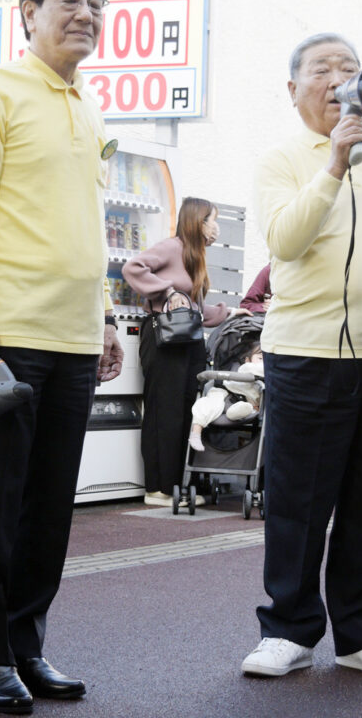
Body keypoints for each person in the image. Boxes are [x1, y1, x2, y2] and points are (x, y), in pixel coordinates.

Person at [0, 0, 124, 716]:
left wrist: (107, 314)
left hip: (76, 339)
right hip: (10, 335)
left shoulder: (88, 105)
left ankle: (27, 647)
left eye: (94, 3)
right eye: (67, 0)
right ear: (28, 13)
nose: (84, 13)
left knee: (50, 507)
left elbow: (86, 227)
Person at [241, 33, 362, 680]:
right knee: (298, 498)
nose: (340, 78)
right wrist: (332, 167)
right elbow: (286, 242)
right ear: (293, 89)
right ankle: (288, 631)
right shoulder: (282, 161)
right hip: (304, 351)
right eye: (322, 69)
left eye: (350, 68)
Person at [123, 198, 248, 507]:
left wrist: (230, 312)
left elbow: (193, 308)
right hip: (164, 339)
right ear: (196, 221)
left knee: (184, 413)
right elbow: (132, 267)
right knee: (163, 411)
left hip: (188, 341)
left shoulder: (195, 256)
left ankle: (176, 486)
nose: (216, 227)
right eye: (211, 220)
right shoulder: (171, 247)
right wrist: (167, 291)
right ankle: (158, 489)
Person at [188, 343, 263, 451]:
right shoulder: (248, 367)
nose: (263, 362)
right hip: (225, 390)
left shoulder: (263, 377)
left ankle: (235, 413)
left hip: (244, 401)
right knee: (206, 404)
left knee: (244, 408)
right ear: (247, 360)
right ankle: (195, 433)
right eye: (260, 358)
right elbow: (259, 369)